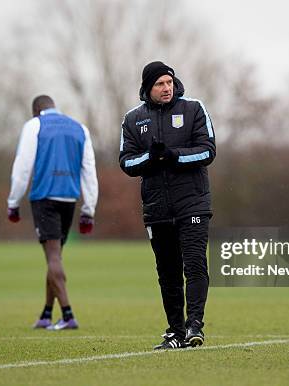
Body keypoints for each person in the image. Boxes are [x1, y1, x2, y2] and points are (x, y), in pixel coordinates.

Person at [119, 61, 215, 350]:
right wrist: (150, 158)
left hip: (193, 205)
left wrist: (173, 155)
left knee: (195, 265)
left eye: (169, 82)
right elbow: (126, 162)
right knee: (168, 272)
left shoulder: (194, 109)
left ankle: (194, 326)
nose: (166, 88)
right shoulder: (133, 119)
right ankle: (175, 331)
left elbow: (208, 151)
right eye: (160, 84)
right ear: (148, 87)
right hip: (157, 209)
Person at [7, 95, 98, 331]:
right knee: (54, 257)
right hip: (69, 199)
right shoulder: (80, 128)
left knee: (53, 257)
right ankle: (46, 314)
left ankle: (68, 315)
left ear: (36, 111)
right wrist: (89, 209)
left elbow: (23, 165)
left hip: (44, 198)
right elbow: (89, 170)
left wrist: (13, 202)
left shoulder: (34, 125)